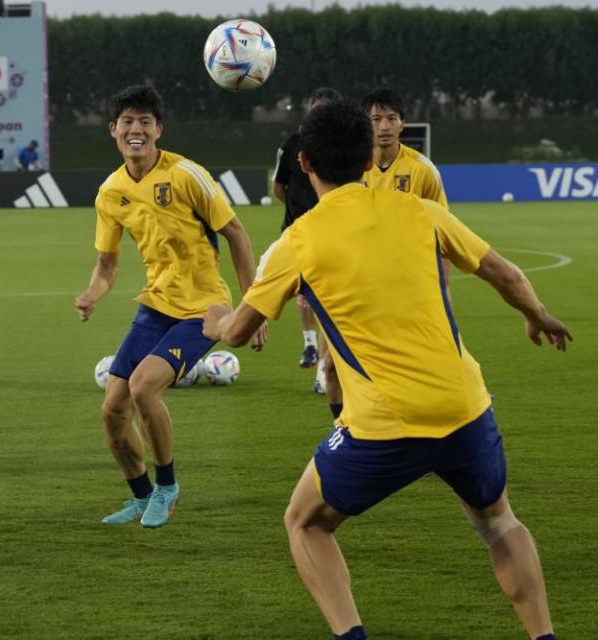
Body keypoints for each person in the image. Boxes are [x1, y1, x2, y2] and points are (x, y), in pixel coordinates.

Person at [203, 100, 570, 640]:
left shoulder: (297, 241)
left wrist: (214, 323)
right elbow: (503, 272)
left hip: (382, 425)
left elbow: (238, 332)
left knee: (305, 523)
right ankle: (544, 635)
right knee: (498, 523)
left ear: (304, 162)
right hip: (464, 407)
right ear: (367, 158)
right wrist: (537, 315)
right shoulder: (420, 211)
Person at [74, 85, 266, 529]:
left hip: (203, 309)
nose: (135, 129)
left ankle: (168, 488)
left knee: (143, 388)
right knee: (113, 410)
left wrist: (252, 307)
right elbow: (106, 264)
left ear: (158, 129)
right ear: (113, 130)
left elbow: (236, 233)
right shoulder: (111, 192)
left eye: (145, 122)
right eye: (127, 121)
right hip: (155, 305)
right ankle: (141, 497)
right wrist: (92, 295)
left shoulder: (186, 174)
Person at [318, 88, 453, 418]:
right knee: (332, 369)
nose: (384, 127)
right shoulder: (353, 168)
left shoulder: (422, 171)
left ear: (403, 124)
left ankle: (449, 413)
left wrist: (441, 287)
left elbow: (445, 235)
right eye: (376, 119)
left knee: (423, 366)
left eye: (391, 118)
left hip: (410, 286)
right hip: (360, 284)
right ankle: (344, 433)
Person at [273, 87, 341, 380]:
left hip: (331, 231)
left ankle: (323, 373)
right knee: (307, 297)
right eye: (313, 110)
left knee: (324, 299)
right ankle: (311, 345)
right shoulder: (291, 145)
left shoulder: (340, 147)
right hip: (296, 232)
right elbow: (279, 187)